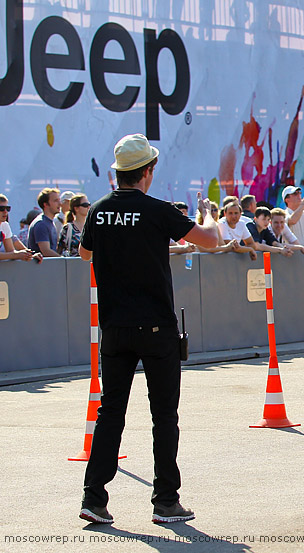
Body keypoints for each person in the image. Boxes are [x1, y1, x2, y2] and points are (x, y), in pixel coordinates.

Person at [77, 133, 219, 525]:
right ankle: (165, 501)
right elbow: (211, 240)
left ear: (120, 173)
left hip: (116, 328)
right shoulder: (158, 211)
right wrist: (207, 214)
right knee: (163, 416)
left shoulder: (99, 211)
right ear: (148, 172)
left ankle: (94, 496)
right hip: (156, 328)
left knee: (110, 414)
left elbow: (84, 252)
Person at [0, 194, 41, 262]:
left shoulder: (4, 225)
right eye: (1, 209)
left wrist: (30, 255)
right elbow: (13, 254)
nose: (5, 212)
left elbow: (10, 251)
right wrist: (17, 255)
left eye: (7, 208)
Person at [27, 187, 62, 257]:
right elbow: (46, 251)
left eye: (59, 200)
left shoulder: (50, 222)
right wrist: (64, 261)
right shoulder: (41, 224)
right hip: (41, 267)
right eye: (56, 201)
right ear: (45, 204)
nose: (60, 204)